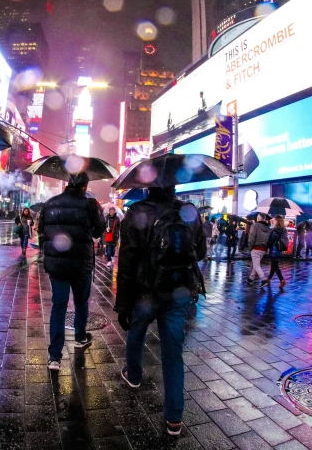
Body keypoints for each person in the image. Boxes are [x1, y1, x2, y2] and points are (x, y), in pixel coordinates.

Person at [115, 186, 207, 437]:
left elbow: (127, 260)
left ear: (148, 185)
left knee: (137, 332)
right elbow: (200, 252)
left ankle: (133, 375)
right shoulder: (189, 211)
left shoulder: (137, 211)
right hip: (178, 292)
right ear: (174, 186)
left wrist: (122, 302)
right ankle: (174, 418)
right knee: (173, 352)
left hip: (145, 292)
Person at [38, 175, 105, 370]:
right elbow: (98, 232)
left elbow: (42, 230)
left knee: (58, 307)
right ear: (84, 186)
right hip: (81, 263)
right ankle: (80, 337)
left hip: (57, 264)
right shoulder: (90, 205)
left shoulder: (50, 203)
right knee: (80, 302)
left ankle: (54, 357)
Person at [246, 214, 272, 285]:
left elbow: (252, 237)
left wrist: (250, 247)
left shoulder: (255, 226)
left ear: (258, 219)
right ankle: (251, 278)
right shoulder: (268, 228)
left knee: (256, 265)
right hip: (263, 249)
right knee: (256, 264)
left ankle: (263, 279)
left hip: (255, 248)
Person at [264, 216, 289, 289]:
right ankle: (269, 279)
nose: (273, 222)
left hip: (274, 249)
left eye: (274, 220)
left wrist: (266, 247)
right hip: (280, 249)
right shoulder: (284, 230)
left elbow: (271, 241)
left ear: (277, 221)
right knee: (274, 265)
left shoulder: (275, 231)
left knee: (275, 266)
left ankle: (282, 280)